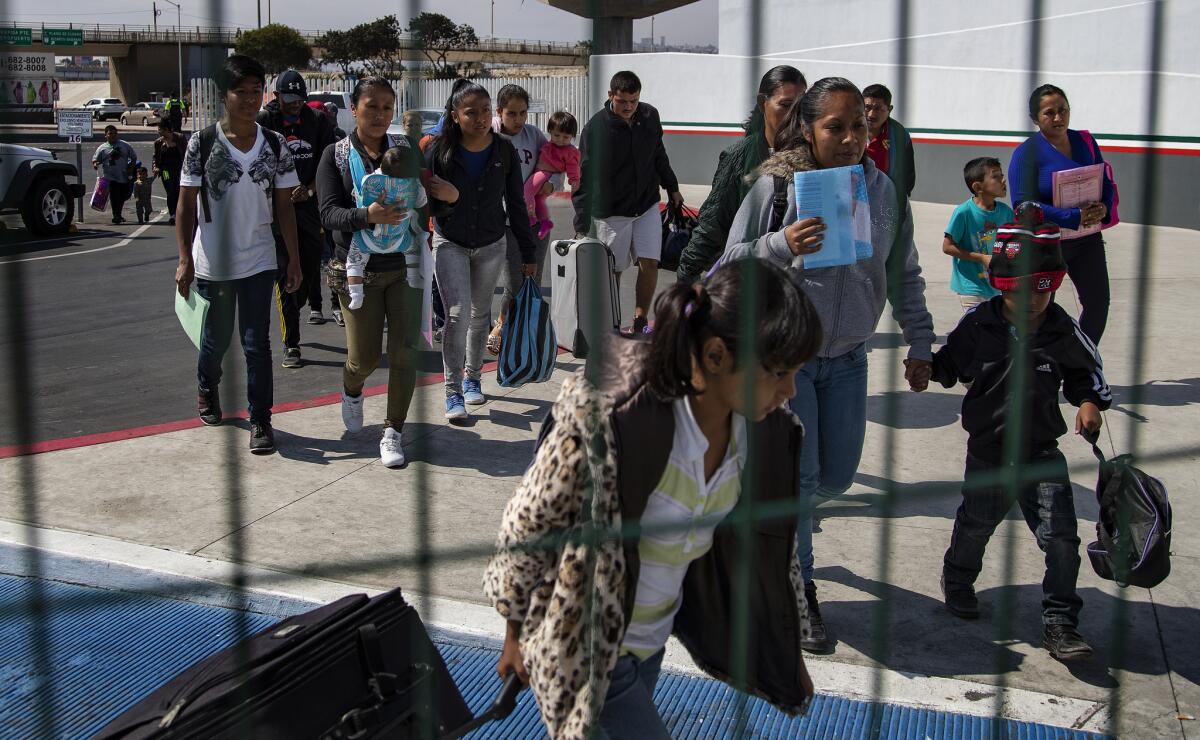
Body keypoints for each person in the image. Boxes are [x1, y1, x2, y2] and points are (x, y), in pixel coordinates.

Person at [485, 259, 819, 738]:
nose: (788, 392)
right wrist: (515, 631)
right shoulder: (610, 419)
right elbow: (529, 523)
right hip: (585, 646)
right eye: (778, 372)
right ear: (718, 355)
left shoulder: (765, 434)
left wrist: (787, 656)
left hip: (650, 642)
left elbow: (774, 546)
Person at [723, 77, 936, 654]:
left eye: (858, 127)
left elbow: (904, 271)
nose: (848, 138)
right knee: (803, 480)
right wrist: (782, 243)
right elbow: (729, 263)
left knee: (836, 477)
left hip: (848, 360)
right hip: (784, 363)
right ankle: (799, 591)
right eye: (834, 127)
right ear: (808, 129)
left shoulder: (885, 191)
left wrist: (920, 341)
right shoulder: (775, 187)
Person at [931, 202, 1111, 661]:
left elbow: (1087, 372)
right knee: (975, 525)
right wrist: (923, 368)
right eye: (1020, 293)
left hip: (1040, 452)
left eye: (1041, 292)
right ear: (1002, 287)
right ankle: (957, 580)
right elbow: (949, 364)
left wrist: (1089, 402)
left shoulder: (1061, 329)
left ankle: (1060, 622)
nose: (1031, 302)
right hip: (988, 451)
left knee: (1062, 540)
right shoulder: (980, 323)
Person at [174, 54, 302, 455]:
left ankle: (260, 419)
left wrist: (294, 260)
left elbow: (285, 206)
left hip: (259, 260)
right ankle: (206, 385)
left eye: (255, 91)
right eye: (240, 92)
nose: (249, 99)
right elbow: (185, 206)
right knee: (215, 341)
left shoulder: (276, 144)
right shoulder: (203, 142)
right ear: (222, 95)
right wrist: (184, 259)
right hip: (214, 262)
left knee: (256, 344)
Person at [317, 77, 446, 468]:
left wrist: (438, 203)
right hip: (358, 268)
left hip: (404, 268)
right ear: (353, 109)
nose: (379, 115)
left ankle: (393, 431)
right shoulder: (335, 155)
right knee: (364, 359)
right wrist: (365, 216)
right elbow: (327, 213)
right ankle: (351, 389)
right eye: (371, 106)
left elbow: (420, 198)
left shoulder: (405, 149)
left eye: (387, 107)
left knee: (405, 352)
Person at [425, 82, 537, 421]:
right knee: (457, 315)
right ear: (455, 116)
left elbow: (516, 204)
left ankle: (473, 379)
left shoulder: (503, 151)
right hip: (450, 243)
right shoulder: (439, 150)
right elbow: (421, 199)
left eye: (486, 111)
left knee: (480, 315)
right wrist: (444, 198)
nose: (480, 118)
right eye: (471, 112)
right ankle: (452, 390)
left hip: (491, 244)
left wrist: (528, 255)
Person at [573, 70, 683, 335]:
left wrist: (673, 187)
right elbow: (583, 178)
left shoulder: (649, 116)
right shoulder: (595, 129)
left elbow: (659, 154)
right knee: (615, 270)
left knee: (650, 262)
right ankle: (610, 322)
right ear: (610, 95)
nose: (629, 107)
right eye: (623, 101)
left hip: (646, 205)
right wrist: (582, 221)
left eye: (634, 101)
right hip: (611, 213)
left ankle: (640, 319)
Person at [676, 65, 806, 285]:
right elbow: (712, 224)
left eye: (800, 107)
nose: (793, 115)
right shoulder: (740, 157)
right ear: (762, 103)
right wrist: (686, 278)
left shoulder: (813, 156)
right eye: (784, 105)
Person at [1009, 84, 1115, 345]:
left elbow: (1106, 182)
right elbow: (1022, 206)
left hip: (1087, 240)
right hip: (1047, 244)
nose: (1058, 117)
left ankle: (1081, 359)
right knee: (1040, 311)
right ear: (1035, 119)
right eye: (1049, 113)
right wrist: (1072, 217)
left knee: (1098, 303)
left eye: (1063, 110)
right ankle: (1039, 366)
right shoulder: (1025, 154)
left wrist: (1104, 207)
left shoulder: (1085, 142)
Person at [257, 69, 338, 360]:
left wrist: (310, 190)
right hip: (278, 210)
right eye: (288, 99)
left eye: (299, 99)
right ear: (276, 96)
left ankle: (300, 297)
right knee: (285, 274)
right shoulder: (265, 122)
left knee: (305, 272)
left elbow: (328, 163)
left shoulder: (318, 121)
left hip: (309, 207)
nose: (294, 104)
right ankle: (292, 341)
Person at [485, 83, 562, 355]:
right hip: (502, 223)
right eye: (512, 114)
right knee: (514, 283)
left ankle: (524, 336)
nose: (518, 120)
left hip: (534, 224)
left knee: (532, 283)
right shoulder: (489, 134)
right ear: (499, 112)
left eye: (523, 113)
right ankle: (502, 324)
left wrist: (550, 186)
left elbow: (556, 169)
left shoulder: (535, 136)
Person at [345, 142, 428, 309]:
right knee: (413, 248)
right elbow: (421, 201)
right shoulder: (413, 185)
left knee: (354, 261)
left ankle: (356, 294)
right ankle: (414, 278)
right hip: (398, 238)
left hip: (369, 239)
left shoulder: (372, 181)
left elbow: (359, 197)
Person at [943, 157, 1012, 311]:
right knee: (976, 329)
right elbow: (947, 247)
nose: (1002, 180)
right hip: (971, 288)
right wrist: (981, 257)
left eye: (1001, 175)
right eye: (995, 176)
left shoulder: (1006, 212)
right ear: (978, 186)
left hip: (998, 286)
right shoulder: (964, 213)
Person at [862, 84, 915, 199]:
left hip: (887, 199)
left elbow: (908, 174)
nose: (871, 114)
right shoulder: (850, 131)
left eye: (878, 109)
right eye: (867, 107)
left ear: (889, 109)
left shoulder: (899, 135)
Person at [91, 125, 138, 225]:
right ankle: (116, 215)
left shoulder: (125, 145)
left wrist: (130, 168)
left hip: (123, 175)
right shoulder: (102, 148)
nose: (113, 136)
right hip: (109, 177)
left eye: (114, 133)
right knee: (114, 195)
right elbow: (95, 159)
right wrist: (95, 164)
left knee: (123, 196)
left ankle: (118, 214)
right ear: (106, 135)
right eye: (110, 134)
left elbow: (134, 157)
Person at [152, 119, 187, 225]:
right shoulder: (158, 142)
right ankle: (173, 214)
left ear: (166, 129)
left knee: (178, 191)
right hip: (165, 171)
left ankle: (180, 213)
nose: (158, 131)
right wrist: (155, 167)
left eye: (160, 129)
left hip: (179, 170)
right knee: (170, 191)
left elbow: (186, 153)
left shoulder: (180, 138)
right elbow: (155, 157)